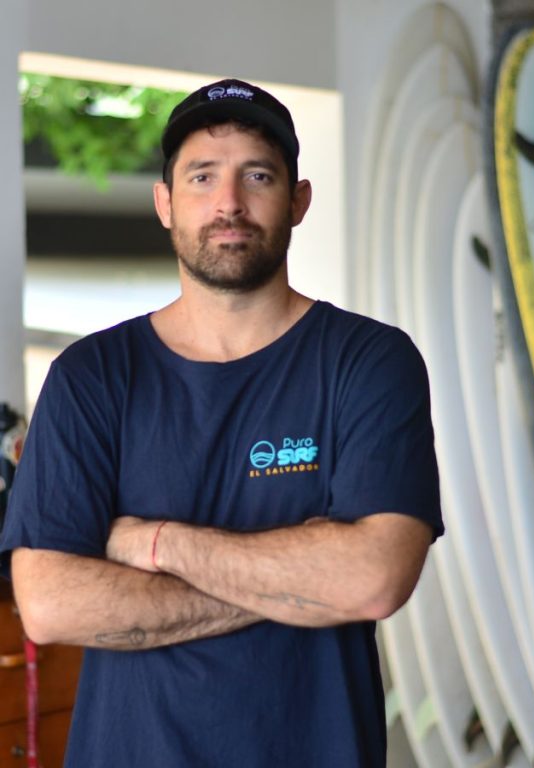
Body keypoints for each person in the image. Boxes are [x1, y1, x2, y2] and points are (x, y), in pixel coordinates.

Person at [0, 78, 443, 767]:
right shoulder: (91, 376)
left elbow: (374, 580)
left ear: (298, 201)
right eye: (202, 176)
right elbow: (52, 604)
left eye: (257, 175)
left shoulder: (367, 361)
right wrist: (303, 577)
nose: (228, 202)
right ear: (165, 203)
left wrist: (157, 543)